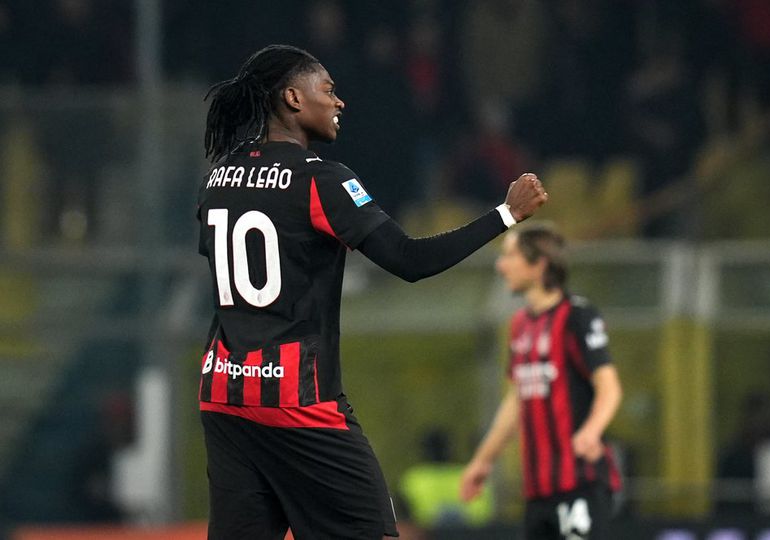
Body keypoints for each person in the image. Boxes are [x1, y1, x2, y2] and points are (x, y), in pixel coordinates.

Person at [196, 44, 548, 540]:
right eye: (328, 90)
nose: (339, 102)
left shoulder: (218, 177)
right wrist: (505, 214)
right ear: (293, 98)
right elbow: (409, 260)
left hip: (224, 394)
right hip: (296, 400)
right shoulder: (322, 181)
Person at [459, 223, 622, 539]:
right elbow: (517, 400)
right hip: (537, 492)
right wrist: (482, 462)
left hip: (580, 482)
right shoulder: (520, 325)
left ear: (539, 265)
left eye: (510, 256)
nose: (501, 266)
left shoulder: (577, 317)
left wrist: (591, 430)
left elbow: (609, 386)